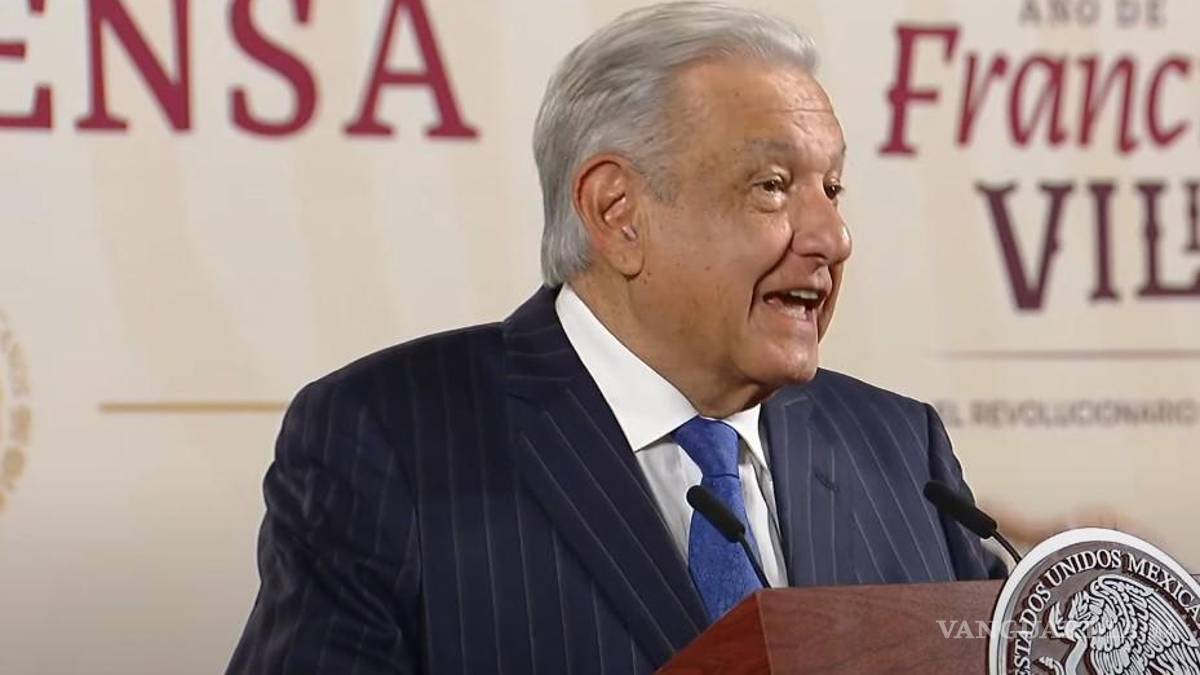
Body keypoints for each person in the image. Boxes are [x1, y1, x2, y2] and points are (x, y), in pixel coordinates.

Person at [227, 2, 1002, 673]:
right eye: (772, 186)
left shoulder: (902, 451)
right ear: (616, 212)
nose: (833, 236)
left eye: (831, 188)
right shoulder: (389, 439)